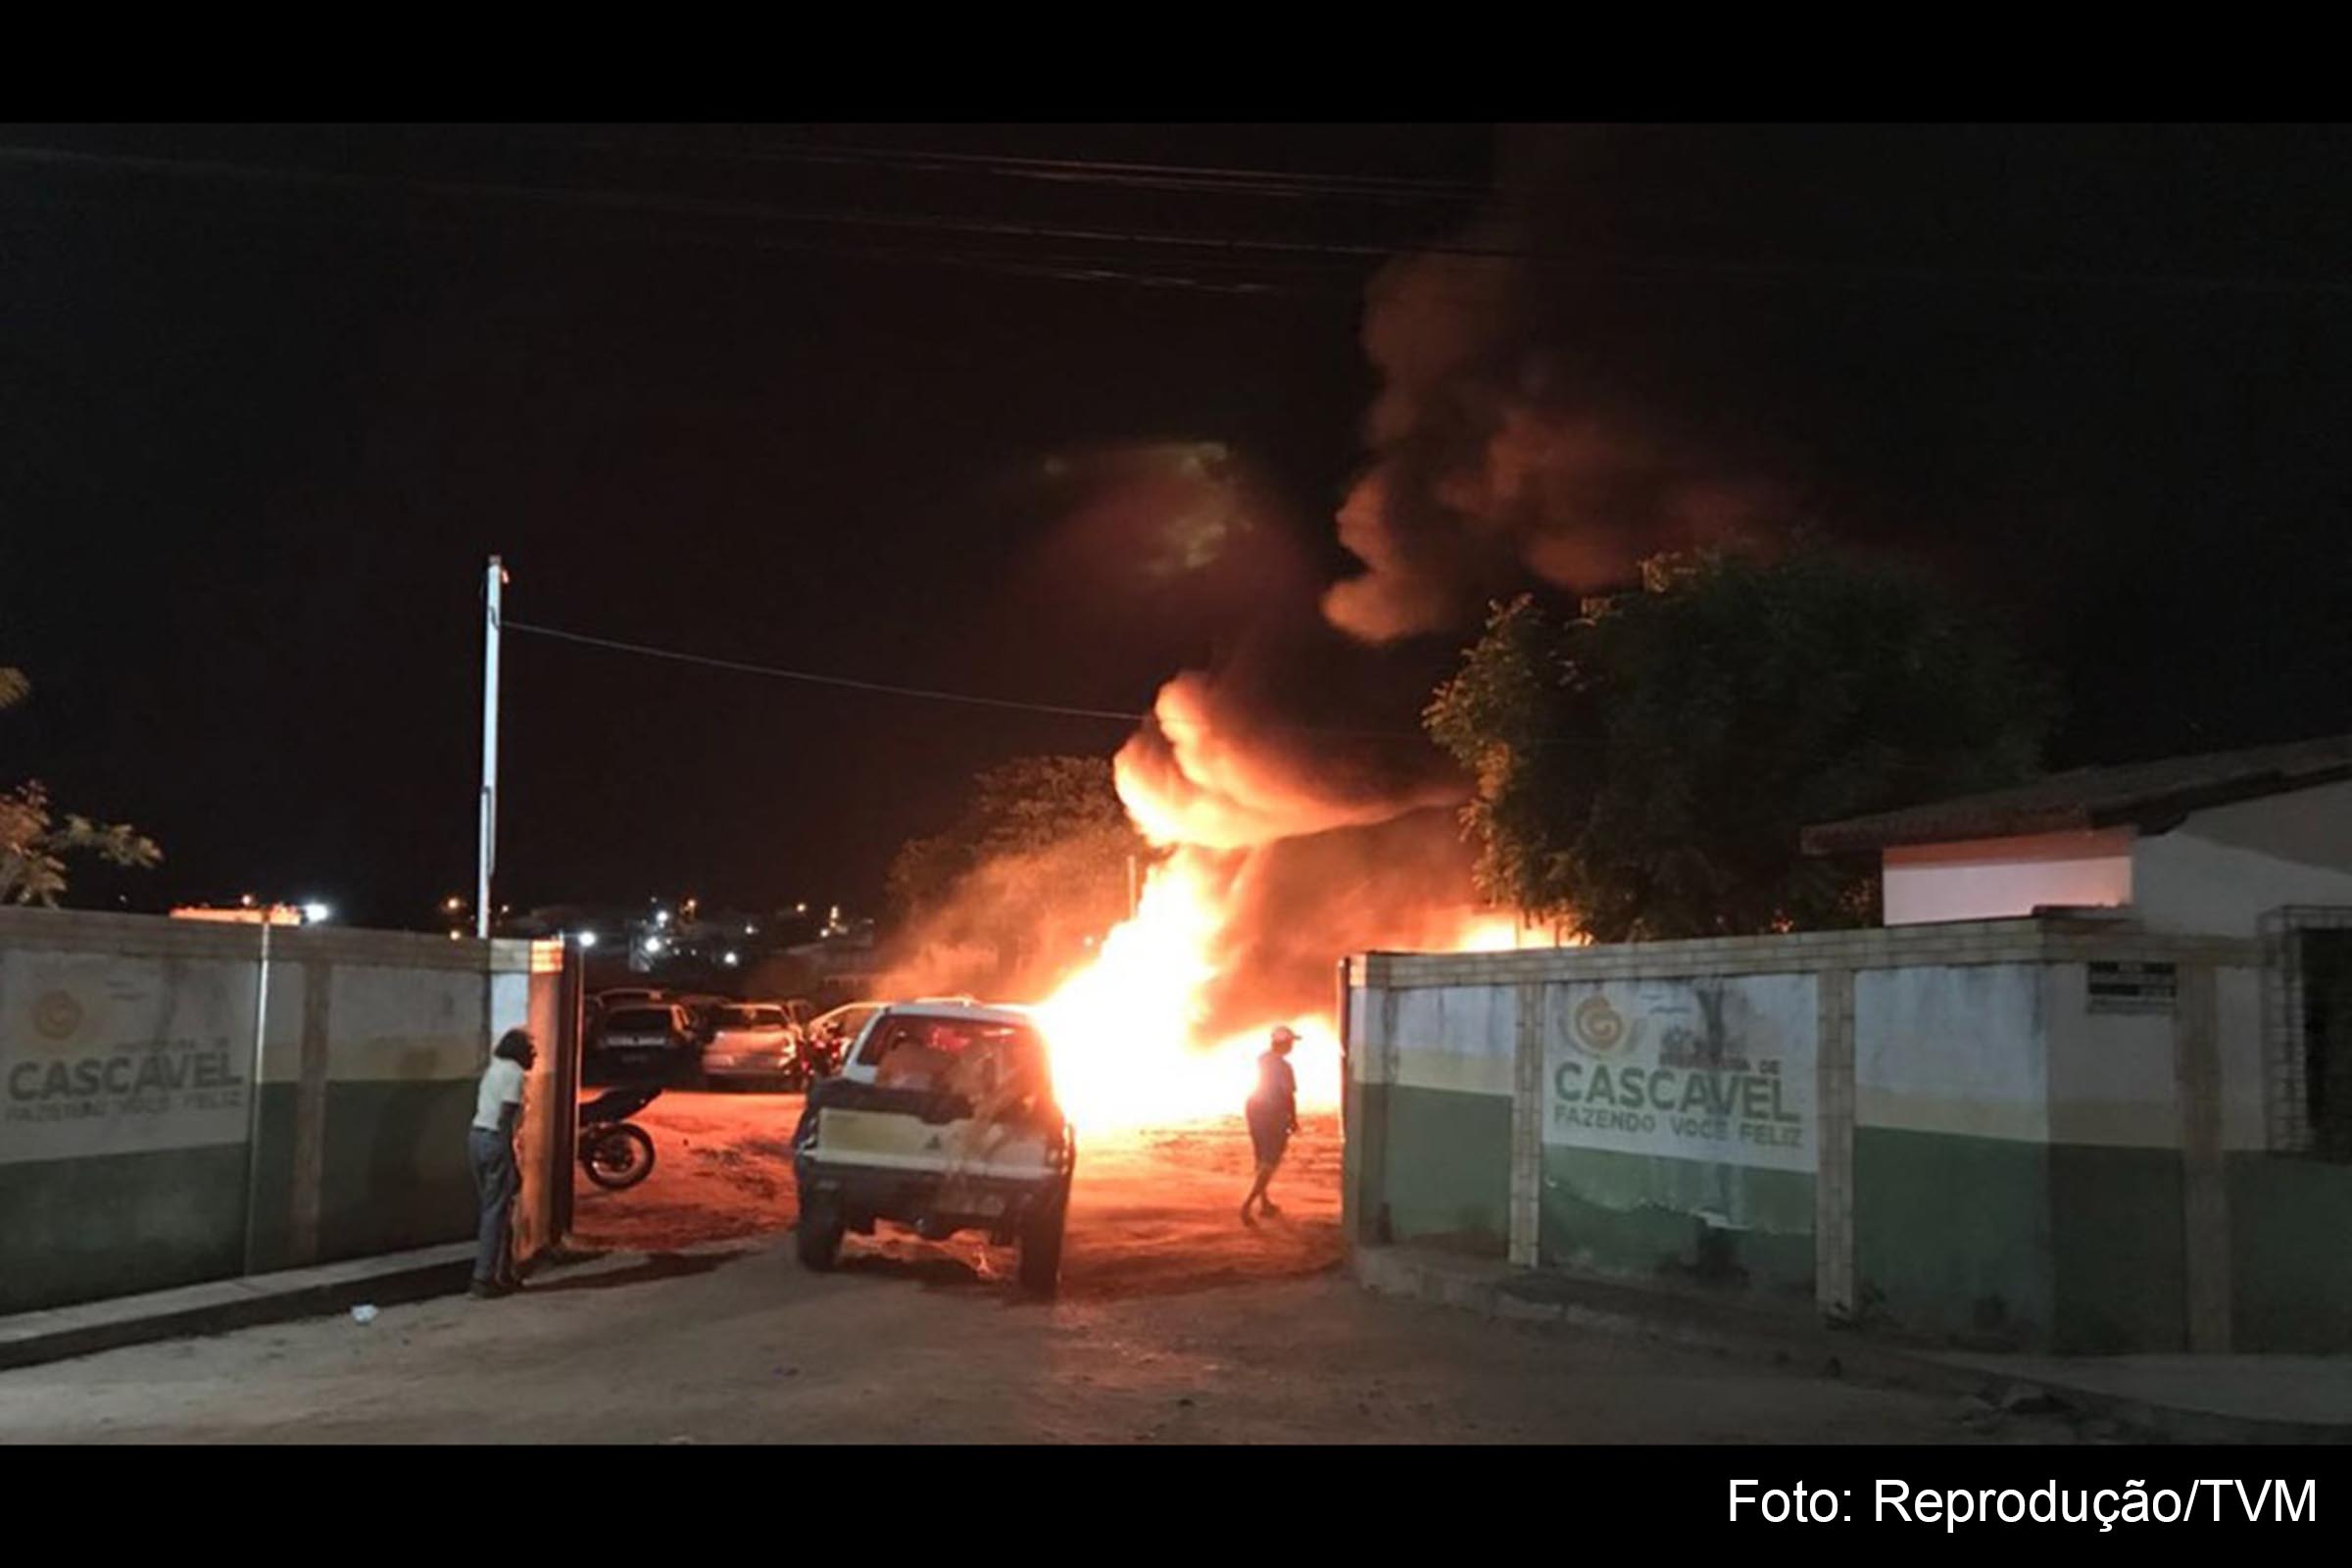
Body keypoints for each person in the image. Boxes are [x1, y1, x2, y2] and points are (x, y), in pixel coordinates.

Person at [468, 1028, 535, 1298]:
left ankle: (504, 1272)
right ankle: (483, 1278)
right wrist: (511, 1160)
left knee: (497, 1207)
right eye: (531, 1051)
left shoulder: (493, 1069)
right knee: (495, 1213)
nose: (534, 1056)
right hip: (496, 1141)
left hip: (476, 1137)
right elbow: (505, 1119)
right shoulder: (515, 1075)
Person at [1242, 1024, 1300, 1225]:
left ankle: (1264, 1202)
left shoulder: (1263, 1058)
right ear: (1284, 1044)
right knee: (1271, 1160)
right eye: (1291, 1042)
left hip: (1254, 1107)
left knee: (1260, 1156)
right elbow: (1288, 1095)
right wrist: (1293, 1119)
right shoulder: (1285, 1067)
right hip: (1272, 1112)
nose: (1292, 1046)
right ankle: (1246, 1206)